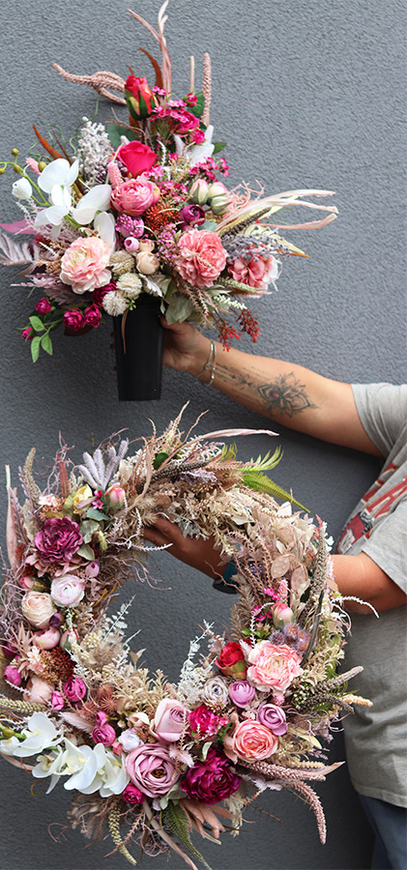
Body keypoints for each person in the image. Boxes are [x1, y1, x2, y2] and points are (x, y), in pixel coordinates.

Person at [142, 320, 407, 870]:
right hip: (387, 760)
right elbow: (321, 402)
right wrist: (200, 357)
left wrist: (215, 557)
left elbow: (372, 584)